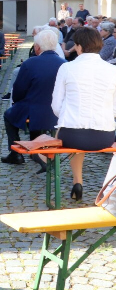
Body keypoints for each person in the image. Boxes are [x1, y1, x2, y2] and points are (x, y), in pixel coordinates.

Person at [52, 27, 116, 201]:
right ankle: (81, 182)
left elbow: (56, 106)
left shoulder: (67, 68)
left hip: (72, 134)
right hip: (105, 135)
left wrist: (69, 116)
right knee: (79, 130)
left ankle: (78, 181)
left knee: (70, 132)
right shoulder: (112, 70)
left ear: (79, 47)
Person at [0, 30, 65, 169]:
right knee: (32, 110)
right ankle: (35, 149)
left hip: (34, 109)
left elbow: (18, 91)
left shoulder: (30, 63)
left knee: (8, 115)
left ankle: (15, 153)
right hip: (58, 111)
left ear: (37, 47)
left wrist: (17, 101)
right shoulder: (64, 63)